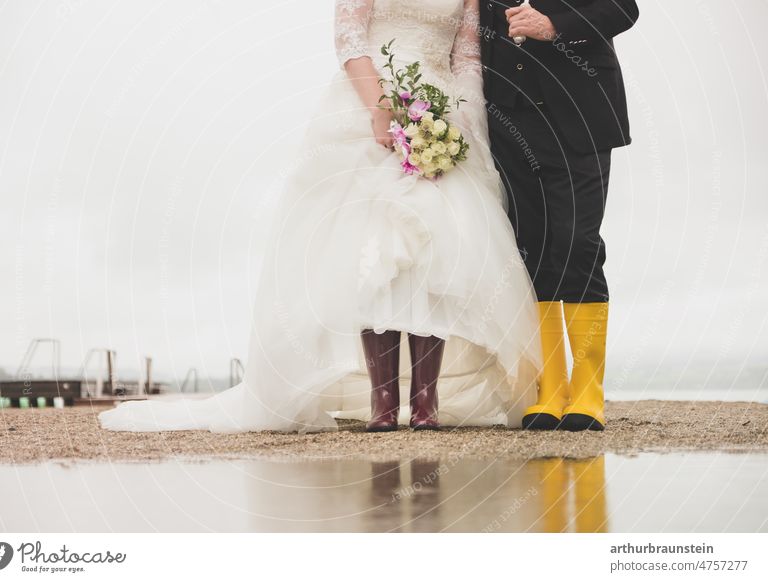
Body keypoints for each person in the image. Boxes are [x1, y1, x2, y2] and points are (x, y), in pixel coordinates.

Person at [99, 0, 541, 434]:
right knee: (375, 246)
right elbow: (350, 39)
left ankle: (426, 400)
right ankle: (382, 399)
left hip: (439, 112)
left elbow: (465, 59)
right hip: (372, 105)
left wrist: (461, 124)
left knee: (436, 249)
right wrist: (380, 108)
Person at [479, 0, 639, 430]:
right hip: (507, 119)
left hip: (581, 113)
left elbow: (624, 9)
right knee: (531, 248)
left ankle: (587, 393)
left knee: (577, 242)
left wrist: (553, 26)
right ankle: (549, 390)